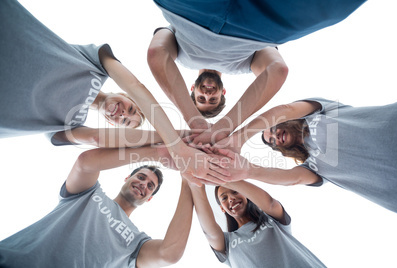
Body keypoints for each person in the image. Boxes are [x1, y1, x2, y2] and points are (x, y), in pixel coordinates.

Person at [0, 0, 230, 185]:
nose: (122, 113)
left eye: (124, 120)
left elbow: (95, 138)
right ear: (126, 96)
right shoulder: (96, 64)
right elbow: (137, 86)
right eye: (130, 108)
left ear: (111, 124)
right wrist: (180, 139)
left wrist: (176, 146)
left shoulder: (69, 125)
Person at [147, 0, 366, 145]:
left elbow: (157, 54)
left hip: (189, 10)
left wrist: (194, 120)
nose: (208, 93)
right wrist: (226, 126)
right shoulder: (244, 66)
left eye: (201, 98)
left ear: (192, 89)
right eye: (212, 99)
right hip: (257, 26)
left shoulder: (180, 58)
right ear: (223, 93)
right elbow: (277, 70)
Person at [0, 145, 193, 267]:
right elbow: (85, 163)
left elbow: (170, 254)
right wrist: (157, 153)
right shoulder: (89, 192)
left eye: (150, 186)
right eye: (141, 177)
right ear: (127, 178)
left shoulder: (137, 243)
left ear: (149, 198)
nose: (144, 184)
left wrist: (188, 179)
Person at [211, 98, 397, 215]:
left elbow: (287, 109)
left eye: (271, 129)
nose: (274, 137)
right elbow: (293, 179)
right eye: (271, 142)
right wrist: (247, 170)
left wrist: (239, 138)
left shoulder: (317, 113)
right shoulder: (313, 166)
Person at [189, 180, 326, 267]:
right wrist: (196, 183)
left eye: (235, 191)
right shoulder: (227, 242)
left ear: (245, 194)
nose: (231, 198)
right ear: (222, 208)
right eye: (224, 198)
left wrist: (222, 176)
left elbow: (270, 203)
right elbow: (210, 233)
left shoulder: (272, 219)